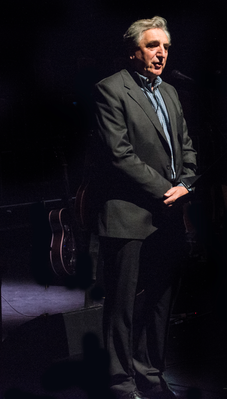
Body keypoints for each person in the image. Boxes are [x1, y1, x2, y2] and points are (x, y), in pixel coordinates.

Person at [92, 17, 197, 399]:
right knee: (121, 308)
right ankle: (120, 383)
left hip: (168, 214)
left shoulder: (169, 91)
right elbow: (119, 155)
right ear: (134, 50)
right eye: (153, 46)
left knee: (159, 303)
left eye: (166, 47)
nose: (161, 54)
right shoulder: (110, 90)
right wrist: (168, 189)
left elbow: (186, 145)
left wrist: (187, 182)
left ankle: (150, 376)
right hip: (128, 214)